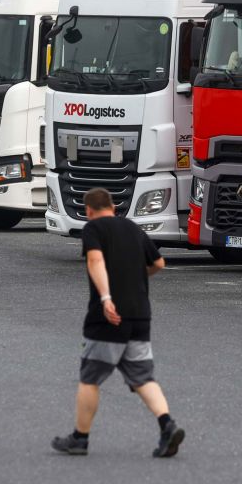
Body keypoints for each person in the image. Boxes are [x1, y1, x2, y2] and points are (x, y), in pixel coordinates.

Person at [51, 187, 185, 458]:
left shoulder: (94, 229)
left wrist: (106, 297)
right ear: (112, 206)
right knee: (143, 377)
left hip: (109, 318)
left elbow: (95, 259)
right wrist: (137, 277)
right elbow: (159, 262)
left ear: (89, 211)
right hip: (140, 315)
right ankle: (167, 425)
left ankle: (80, 438)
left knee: (90, 377)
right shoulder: (134, 229)